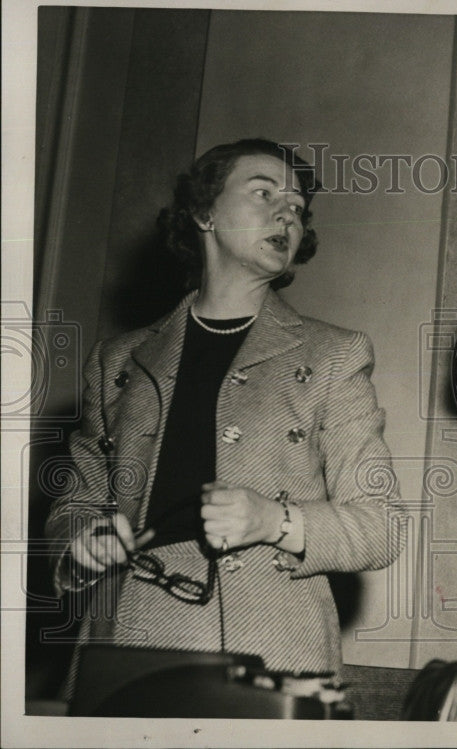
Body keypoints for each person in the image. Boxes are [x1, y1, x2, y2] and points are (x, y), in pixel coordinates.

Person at [45, 139, 402, 692]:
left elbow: (381, 527)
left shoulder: (334, 354)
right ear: (203, 212)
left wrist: (275, 521)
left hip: (273, 645)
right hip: (125, 634)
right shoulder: (117, 360)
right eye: (264, 193)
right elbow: (75, 504)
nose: (287, 213)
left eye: (299, 210)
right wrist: (82, 542)